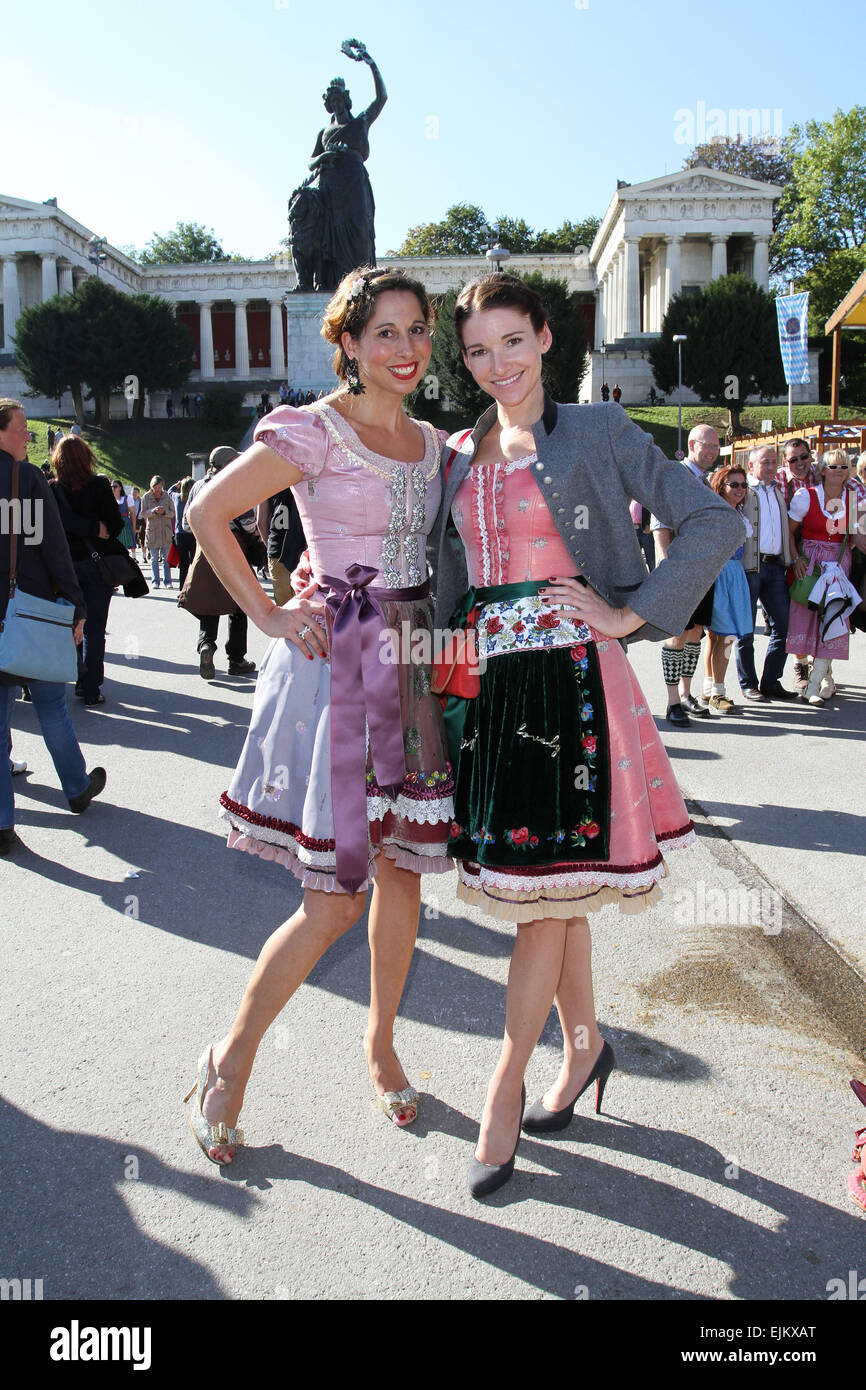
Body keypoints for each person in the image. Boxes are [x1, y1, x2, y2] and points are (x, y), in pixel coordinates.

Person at [429, 274, 742, 1196]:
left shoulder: (599, 432)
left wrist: (628, 614)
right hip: (492, 693)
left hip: (572, 685)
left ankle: (502, 1092)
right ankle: (587, 1047)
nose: (498, 366)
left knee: (540, 904)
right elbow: (450, 581)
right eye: (479, 351)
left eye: (513, 343)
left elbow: (713, 520)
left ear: (547, 337)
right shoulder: (455, 453)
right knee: (555, 894)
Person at [182, 266, 452, 1163]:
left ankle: (379, 1048)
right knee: (335, 900)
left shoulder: (439, 446)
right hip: (339, 666)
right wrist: (269, 611)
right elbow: (208, 508)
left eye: (417, 330)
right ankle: (231, 1057)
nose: (407, 349)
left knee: (403, 875)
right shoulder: (316, 431)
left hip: (409, 666)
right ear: (347, 342)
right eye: (386, 332)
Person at [0, 398, 106, 854]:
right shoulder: (23, 480)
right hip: (30, 612)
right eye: (21, 428)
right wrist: (77, 605)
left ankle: (4, 825)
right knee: (50, 705)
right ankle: (76, 787)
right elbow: (52, 547)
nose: (29, 436)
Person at [651, 425, 720, 725]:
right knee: (676, 634)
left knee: (695, 632)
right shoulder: (676, 476)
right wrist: (668, 566)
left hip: (704, 570)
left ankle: (687, 693)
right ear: (692, 445)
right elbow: (659, 524)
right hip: (681, 570)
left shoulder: (705, 481)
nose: (713, 451)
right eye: (708, 445)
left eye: (717, 446)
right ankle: (671, 702)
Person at [787, 448, 866, 704]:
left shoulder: (855, 501)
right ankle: (822, 679)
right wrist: (795, 558)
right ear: (822, 470)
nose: (839, 471)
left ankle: (814, 683)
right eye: (833, 466)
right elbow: (789, 531)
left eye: (844, 466)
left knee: (833, 621)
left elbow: (860, 539)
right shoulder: (806, 496)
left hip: (838, 565)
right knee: (808, 619)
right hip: (810, 563)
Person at [306, 42, 386, 290]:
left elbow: (382, 98)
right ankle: (338, 287)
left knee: (361, 229)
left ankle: (363, 284)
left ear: (346, 100)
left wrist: (370, 63)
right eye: (333, 100)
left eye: (340, 99)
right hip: (330, 188)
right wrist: (322, 158)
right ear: (329, 104)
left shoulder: (361, 121)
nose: (337, 103)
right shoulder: (323, 133)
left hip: (354, 184)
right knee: (331, 239)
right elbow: (310, 162)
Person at [52, 435, 124, 706]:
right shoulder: (99, 485)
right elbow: (116, 526)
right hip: (95, 565)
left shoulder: (53, 489)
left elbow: (53, 527)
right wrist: (96, 528)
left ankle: (75, 675)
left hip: (64, 568)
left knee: (70, 625)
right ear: (86, 458)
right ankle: (90, 686)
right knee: (95, 628)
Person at [182, 448, 258, 680]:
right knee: (239, 603)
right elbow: (247, 524)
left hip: (205, 546)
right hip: (232, 546)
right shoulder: (233, 484)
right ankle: (236, 658)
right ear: (229, 464)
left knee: (209, 601)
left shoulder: (197, 486)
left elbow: (187, 524)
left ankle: (206, 644)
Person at [734, 445, 796, 702]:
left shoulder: (778, 492)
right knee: (746, 628)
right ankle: (749, 683)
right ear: (752, 466)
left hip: (775, 566)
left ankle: (771, 681)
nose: (771, 467)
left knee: (784, 625)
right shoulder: (743, 491)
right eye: (765, 462)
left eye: (774, 462)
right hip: (751, 567)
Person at [703, 465, 754, 711]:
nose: (740, 489)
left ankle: (710, 687)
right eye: (734, 485)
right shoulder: (717, 513)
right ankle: (717, 692)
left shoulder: (740, 513)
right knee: (722, 636)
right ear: (721, 486)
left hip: (734, 574)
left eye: (743, 485)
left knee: (719, 637)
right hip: (719, 575)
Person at [140, 475, 174, 588]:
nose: (158, 489)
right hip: (153, 532)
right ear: (152, 486)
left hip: (165, 531)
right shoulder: (146, 497)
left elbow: (172, 513)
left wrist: (164, 512)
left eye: (160, 487)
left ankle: (168, 581)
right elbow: (143, 513)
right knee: (154, 559)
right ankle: (155, 581)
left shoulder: (167, 496)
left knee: (166, 559)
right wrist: (153, 511)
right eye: (156, 487)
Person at [173, 477, 196, 589]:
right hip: (192, 533)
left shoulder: (177, 498)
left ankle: (182, 587)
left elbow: (169, 491)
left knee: (183, 564)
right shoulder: (195, 499)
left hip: (180, 534)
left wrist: (177, 484)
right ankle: (192, 587)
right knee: (193, 562)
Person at [111, 479, 137, 553]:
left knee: (126, 544)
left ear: (120, 488)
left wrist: (134, 527)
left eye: (115, 486)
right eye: (112, 486)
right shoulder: (109, 499)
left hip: (125, 523)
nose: (113, 488)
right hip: (114, 523)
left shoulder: (127, 498)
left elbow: (133, 514)